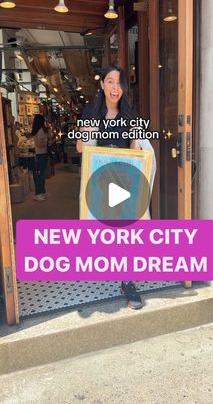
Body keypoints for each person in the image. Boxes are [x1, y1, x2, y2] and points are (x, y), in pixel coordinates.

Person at [76, 65, 147, 310]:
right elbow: (80, 147)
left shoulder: (130, 114)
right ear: (102, 85)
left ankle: (128, 282)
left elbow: (136, 151)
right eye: (110, 81)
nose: (115, 87)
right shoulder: (90, 111)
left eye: (119, 83)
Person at [31, 114, 49, 201]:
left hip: (39, 153)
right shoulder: (40, 130)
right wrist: (47, 141)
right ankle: (38, 193)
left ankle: (42, 192)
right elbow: (40, 144)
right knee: (41, 174)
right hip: (42, 153)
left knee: (41, 173)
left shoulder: (36, 130)